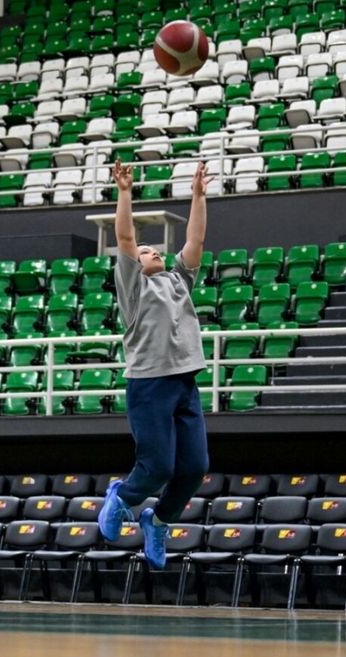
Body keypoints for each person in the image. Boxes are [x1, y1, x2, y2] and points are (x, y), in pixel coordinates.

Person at [98, 158, 211, 570]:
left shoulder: (179, 280)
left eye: (156, 248)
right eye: (146, 251)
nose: (152, 251)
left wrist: (197, 196)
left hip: (184, 383)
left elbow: (195, 239)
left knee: (194, 468)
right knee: (159, 465)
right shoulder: (134, 288)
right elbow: (126, 237)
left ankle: (158, 520)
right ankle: (122, 497)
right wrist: (125, 193)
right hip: (149, 385)